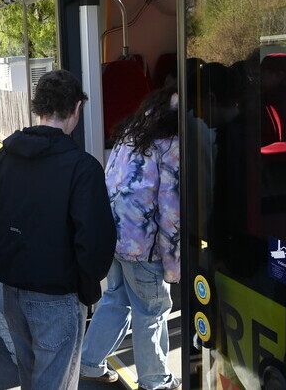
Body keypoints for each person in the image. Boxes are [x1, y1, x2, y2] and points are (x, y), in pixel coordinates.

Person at [0, 69, 116, 390]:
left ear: (38, 107)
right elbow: (95, 243)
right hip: (58, 296)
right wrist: (86, 287)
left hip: (12, 290)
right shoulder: (82, 167)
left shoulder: (5, 156)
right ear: (77, 109)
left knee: (30, 378)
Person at [78, 86, 183, 390]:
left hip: (115, 237)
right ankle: (155, 380)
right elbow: (171, 209)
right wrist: (173, 265)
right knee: (152, 311)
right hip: (144, 247)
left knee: (116, 298)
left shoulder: (130, 135)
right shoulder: (170, 144)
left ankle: (89, 361)